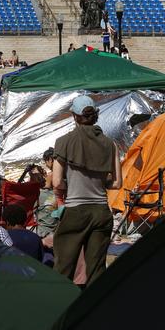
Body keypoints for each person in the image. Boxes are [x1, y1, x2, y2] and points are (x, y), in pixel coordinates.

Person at [51, 95, 121, 286]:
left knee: (63, 267)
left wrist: (71, 184)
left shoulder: (64, 141)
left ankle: (60, 309)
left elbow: (56, 182)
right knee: (97, 269)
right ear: (95, 115)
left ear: (74, 116)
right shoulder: (110, 144)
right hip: (101, 211)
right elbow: (117, 183)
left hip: (76, 211)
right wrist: (99, 182)